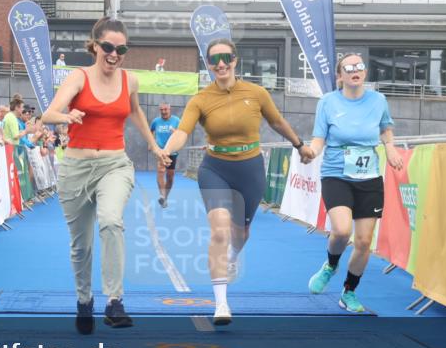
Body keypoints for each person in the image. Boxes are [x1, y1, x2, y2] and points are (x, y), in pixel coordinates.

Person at [160, 38, 315, 325]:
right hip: (215, 168)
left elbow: (277, 122)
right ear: (208, 65)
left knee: (241, 233)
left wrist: (300, 145)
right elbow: (183, 130)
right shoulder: (201, 99)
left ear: (235, 60)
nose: (220, 64)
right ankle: (221, 304)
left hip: (250, 168)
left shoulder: (256, 93)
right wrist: (168, 150)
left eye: (225, 57)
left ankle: (232, 255)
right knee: (219, 230)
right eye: (214, 59)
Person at [42, 17, 167, 333]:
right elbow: (48, 113)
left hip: (115, 164)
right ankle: (84, 301)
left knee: (111, 220)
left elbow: (136, 112)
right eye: (108, 47)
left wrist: (154, 147)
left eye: (121, 48)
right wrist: (67, 114)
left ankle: (114, 301)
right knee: (80, 246)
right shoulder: (79, 77)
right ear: (95, 46)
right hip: (76, 168)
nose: (114, 54)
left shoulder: (130, 81)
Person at [307, 53, 403, 313]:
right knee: (341, 230)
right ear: (340, 76)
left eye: (359, 66)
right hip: (336, 174)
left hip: (369, 177)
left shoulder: (378, 100)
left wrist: (391, 148)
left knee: (363, 242)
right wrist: (311, 153)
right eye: (348, 68)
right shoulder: (327, 102)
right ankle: (330, 265)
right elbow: (319, 139)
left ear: (364, 72)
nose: (354, 70)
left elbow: (385, 128)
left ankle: (348, 292)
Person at [150, 103, 181, 208]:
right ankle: (162, 196)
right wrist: (151, 143)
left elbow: (182, 134)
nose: (163, 111)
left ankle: (165, 197)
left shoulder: (176, 120)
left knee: (170, 176)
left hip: (172, 152)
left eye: (165, 109)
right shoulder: (156, 121)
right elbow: (151, 131)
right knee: (161, 170)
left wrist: (175, 132)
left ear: (169, 109)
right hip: (160, 151)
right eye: (161, 110)